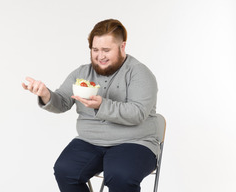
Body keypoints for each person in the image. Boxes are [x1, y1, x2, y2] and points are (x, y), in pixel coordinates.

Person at [22, 19, 160, 192]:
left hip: (135, 141)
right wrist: (46, 95)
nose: (100, 56)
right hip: (90, 140)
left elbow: (137, 113)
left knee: (120, 175)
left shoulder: (139, 73)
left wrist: (102, 105)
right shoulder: (82, 73)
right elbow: (63, 102)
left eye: (106, 50)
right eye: (95, 50)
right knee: (65, 170)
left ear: (122, 47)